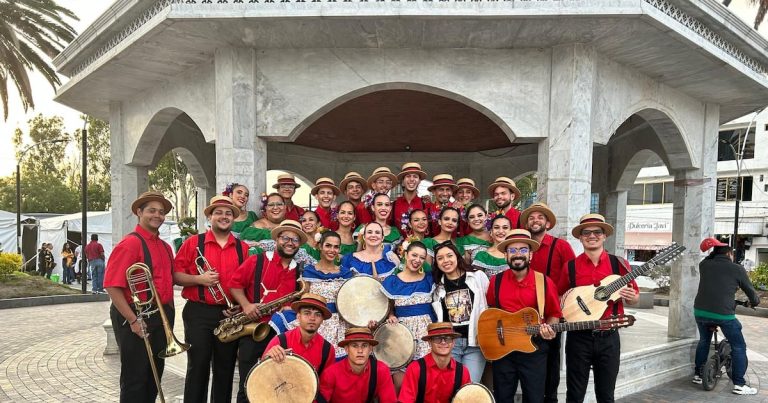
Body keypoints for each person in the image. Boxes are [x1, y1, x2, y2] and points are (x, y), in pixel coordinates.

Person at [173, 196, 248, 403]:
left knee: (225, 369)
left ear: (233, 218)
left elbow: (246, 283)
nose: (224, 217)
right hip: (199, 313)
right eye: (218, 213)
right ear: (210, 217)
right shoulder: (193, 243)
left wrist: (239, 305)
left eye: (228, 213)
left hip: (229, 315)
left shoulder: (243, 248)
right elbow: (176, 275)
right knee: (198, 366)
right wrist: (199, 279)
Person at [557, 214, 639, 403]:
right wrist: (570, 309)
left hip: (609, 337)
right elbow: (560, 296)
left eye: (597, 232)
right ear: (580, 237)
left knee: (606, 395)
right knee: (574, 395)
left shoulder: (619, 264)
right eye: (586, 232)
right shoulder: (570, 267)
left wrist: (632, 297)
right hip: (579, 337)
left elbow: (635, 298)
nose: (592, 236)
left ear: (604, 236)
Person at [104, 191, 176, 403]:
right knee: (135, 377)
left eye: (161, 212)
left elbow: (170, 280)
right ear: (139, 212)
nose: (157, 215)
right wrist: (134, 320)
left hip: (160, 315)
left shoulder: (165, 247)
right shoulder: (130, 244)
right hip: (135, 315)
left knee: (154, 375)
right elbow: (112, 286)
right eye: (152, 211)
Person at [229, 219, 308, 403]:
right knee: (248, 385)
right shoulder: (257, 261)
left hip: (281, 335)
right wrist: (246, 305)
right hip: (254, 330)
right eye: (285, 238)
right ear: (276, 239)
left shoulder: (299, 272)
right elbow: (234, 285)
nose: (290, 243)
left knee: (276, 387)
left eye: (295, 240)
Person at [486, 229, 562, 403]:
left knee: (535, 399)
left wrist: (550, 330)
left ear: (530, 255)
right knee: (502, 398)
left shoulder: (544, 282)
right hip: (503, 351)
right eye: (512, 250)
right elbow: (490, 311)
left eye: (523, 250)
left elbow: (554, 314)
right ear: (506, 255)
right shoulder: (496, 282)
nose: (517, 254)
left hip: (534, 349)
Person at [270, 231, 356, 359]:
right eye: (328, 245)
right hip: (314, 318)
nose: (332, 250)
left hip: (337, 323)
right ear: (320, 246)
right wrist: (293, 307)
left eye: (336, 247)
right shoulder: (308, 271)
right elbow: (304, 297)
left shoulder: (346, 274)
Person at [522, 202, 576, 403]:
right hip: (525, 315)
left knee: (552, 360)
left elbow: (574, 277)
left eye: (540, 217)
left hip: (552, 314)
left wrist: (563, 301)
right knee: (528, 359)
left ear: (547, 223)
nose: (535, 220)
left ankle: (550, 399)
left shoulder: (561, 246)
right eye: (531, 217)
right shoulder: (522, 247)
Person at [692, 237, 760, 395]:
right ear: (729, 254)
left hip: (700, 312)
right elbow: (751, 293)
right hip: (723, 314)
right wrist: (754, 302)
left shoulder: (704, 265)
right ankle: (739, 384)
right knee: (739, 346)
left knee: (704, 341)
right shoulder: (737, 269)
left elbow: (711, 262)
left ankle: (698, 374)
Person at [431, 241, 488, 382]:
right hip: (450, 344)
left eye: (449, 255)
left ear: (457, 256)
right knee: (450, 385)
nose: (446, 260)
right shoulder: (437, 288)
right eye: (440, 258)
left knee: (469, 386)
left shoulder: (477, 277)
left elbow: (490, 304)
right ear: (436, 263)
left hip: (475, 343)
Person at [382, 241, 435, 389]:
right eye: (414, 255)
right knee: (401, 386)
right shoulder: (392, 281)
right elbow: (388, 307)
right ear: (405, 255)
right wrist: (391, 315)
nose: (417, 260)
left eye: (422, 257)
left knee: (425, 384)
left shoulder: (429, 279)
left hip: (426, 336)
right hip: (402, 336)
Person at [262, 293, 336, 375]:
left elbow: (327, 381)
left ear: (322, 320)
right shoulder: (279, 341)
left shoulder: (328, 350)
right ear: (298, 316)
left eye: (317, 314)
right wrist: (267, 358)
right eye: (307, 313)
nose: (312, 318)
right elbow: (261, 374)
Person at [319, 327, 398, 403]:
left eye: (364, 345)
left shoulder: (381, 370)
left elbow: (389, 400)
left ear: (370, 349)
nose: (360, 350)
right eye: (354, 346)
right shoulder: (330, 373)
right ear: (347, 349)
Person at [398, 322, 471, 403]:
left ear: (453, 342)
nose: (443, 342)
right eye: (437, 338)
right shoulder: (415, 369)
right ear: (429, 342)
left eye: (448, 338)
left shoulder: (462, 371)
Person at [393, 162, 432, 236]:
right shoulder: (393, 205)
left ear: (419, 181)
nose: (411, 179)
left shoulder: (426, 204)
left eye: (415, 176)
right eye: (408, 176)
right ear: (403, 181)